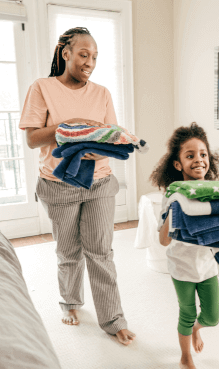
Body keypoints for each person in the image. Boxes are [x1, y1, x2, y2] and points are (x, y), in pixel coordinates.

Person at [19, 27, 135, 346]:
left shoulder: (102, 93)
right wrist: (70, 130)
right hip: (58, 183)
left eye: (95, 57)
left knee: (100, 251)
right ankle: (70, 302)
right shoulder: (42, 88)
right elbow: (31, 139)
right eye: (84, 55)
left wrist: (96, 143)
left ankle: (113, 318)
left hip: (99, 180)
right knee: (69, 251)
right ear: (66, 53)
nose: (90, 62)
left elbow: (109, 135)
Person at [149, 123, 219, 369]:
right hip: (181, 266)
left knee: (212, 317)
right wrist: (176, 205)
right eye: (190, 155)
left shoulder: (214, 194)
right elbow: (163, 240)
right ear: (178, 164)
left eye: (203, 154)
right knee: (187, 312)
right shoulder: (171, 195)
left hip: (206, 265)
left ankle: (197, 329)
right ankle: (185, 357)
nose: (198, 160)